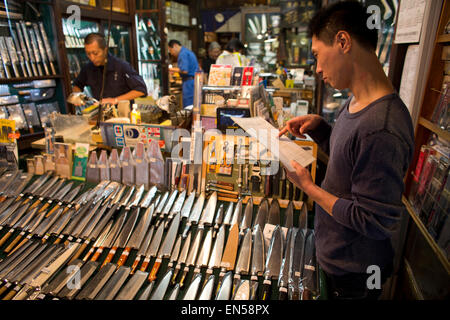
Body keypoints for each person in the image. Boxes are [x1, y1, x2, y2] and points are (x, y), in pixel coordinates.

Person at [279, 1, 414, 300]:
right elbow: (350, 161)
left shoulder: (382, 127)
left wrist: (308, 187)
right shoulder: (355, 102)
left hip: (354, 275)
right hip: (335, 257)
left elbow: (374, 220)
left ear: (342, 42)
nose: (317, 69)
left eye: (317, 56)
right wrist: (321, 129)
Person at [72, 33, 147, 105]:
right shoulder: (88, 68)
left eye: (95, 53)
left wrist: (115, 100)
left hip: (122, 114)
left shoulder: (121, 66)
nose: (92, 58)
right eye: (88, 54)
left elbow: (141, 90)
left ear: (105, 49)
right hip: (100, 114)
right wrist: (78, 96)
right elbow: (77, 85)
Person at [168, 40, 199, 108]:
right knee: (194, 106)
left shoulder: (183, 54)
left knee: (188, 107)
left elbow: (184, 70)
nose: (171, 53)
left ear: (175, 46)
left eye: (171, 50)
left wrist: (170, 69)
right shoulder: (187, 52)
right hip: (194, 81)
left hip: (189, 83)